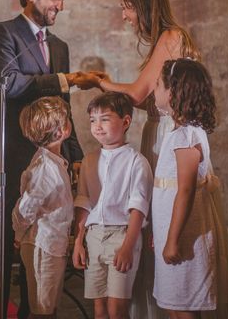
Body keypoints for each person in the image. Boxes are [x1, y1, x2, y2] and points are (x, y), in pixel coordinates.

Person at [74, 0, 200, 318]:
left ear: (143, 5)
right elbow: (147, 100)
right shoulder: (171, 37)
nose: (125, 16)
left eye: (126, 7)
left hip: (165, 137)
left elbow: (138, 94)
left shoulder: (171, 37)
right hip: (159, 130)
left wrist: (99, 82)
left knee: (162, 214)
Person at [0, 0, 84, 319]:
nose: (60, 5)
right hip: (9, 154)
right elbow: (7, 83)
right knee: (3, 243)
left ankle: (32, 312)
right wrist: (60, 78)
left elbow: (63, 104)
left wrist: (74, 152)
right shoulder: (2, 33)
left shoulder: (60, 46)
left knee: (39, 242)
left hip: (50, 158)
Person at [152, 59, 228, 319]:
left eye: (158, 84)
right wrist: (161, 234)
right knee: (175, 304)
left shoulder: (186, 136)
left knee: (182, 307)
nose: (154, 89)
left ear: (173, 92)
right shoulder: (180, 132)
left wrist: (172, 240)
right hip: (173, 232)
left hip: (185, 238)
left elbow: (185, 191)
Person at [72, 92, 153, 319]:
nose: (97, 126)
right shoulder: (89, 161)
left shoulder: (137, 162)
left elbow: (138, 207)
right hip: (94, 236)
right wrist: (79, 241)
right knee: (99, 307)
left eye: (105, 119)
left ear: (125, 121)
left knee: (117, 309)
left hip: (122, 236)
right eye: (92, 120)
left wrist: (128, 246)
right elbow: (83, 202)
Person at [12, 96, 75, 319]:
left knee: (50, 305)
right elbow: (26, 207)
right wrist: (19, 235)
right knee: (41, 309)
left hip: (53, 242)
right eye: (66, 120)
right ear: (60, 132)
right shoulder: (45, 168)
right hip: (42, 244)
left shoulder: (55, 162)